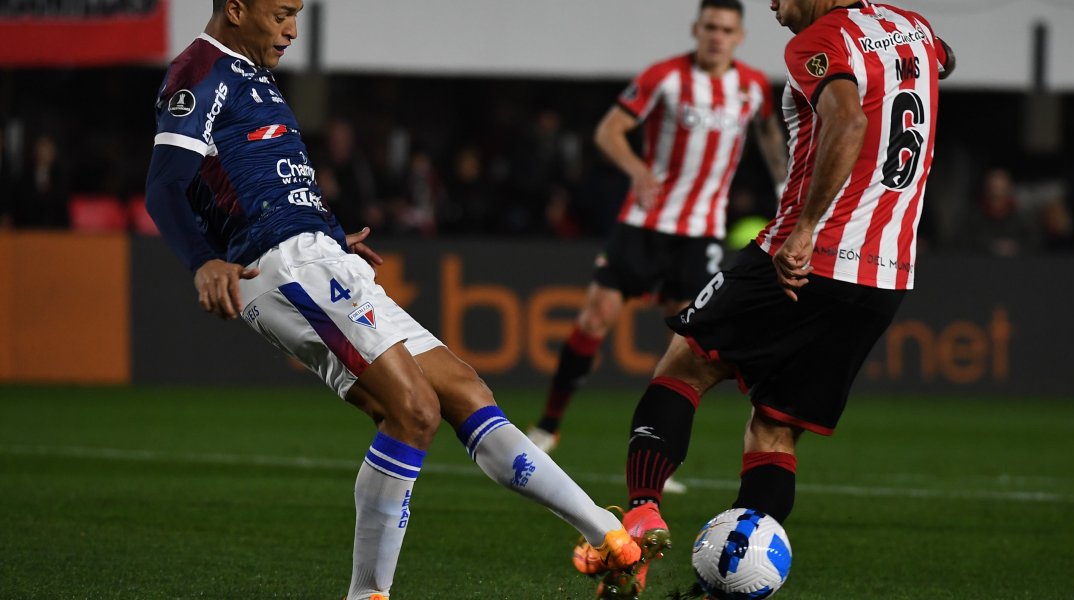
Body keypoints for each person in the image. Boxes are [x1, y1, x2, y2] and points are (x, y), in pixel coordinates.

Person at [143, 2, 641, 598]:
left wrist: (328, 234)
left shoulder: (253, 74)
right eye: (280, 14)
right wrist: (204, 261)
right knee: (413, 412)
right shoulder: (198, 71)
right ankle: (368, 595)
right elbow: (164, 184)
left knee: (465, 391)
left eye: (297, 14)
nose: (292, 29)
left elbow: (264, 177)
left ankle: (609, 536)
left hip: (320, 253)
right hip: (281, 264)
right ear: (235, 8)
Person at [573, 0, 954, 598]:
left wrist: (803, 229)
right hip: (885, 279)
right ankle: (722, 586)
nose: (774, 5)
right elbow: (944, 59)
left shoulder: (820, 41)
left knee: (684, 364)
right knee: (774, 430)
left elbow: (849, 121)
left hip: (807, 259)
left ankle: (641, 516)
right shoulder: (914, 27)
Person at [527, 0, 790, 492]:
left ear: (739, 36)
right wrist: (636, 169)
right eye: (710, 26)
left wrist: (785, 192)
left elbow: (772, 140)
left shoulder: (752, 86)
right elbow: (609, 131)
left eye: (726, 28)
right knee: (595, 319)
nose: (716, 35)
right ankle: (547, 426)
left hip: (701, 233)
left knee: (684, 349)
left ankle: (654, 452)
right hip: (644, 223)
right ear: (697, 29)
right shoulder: (665, 76)